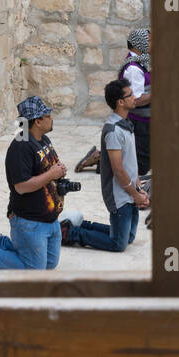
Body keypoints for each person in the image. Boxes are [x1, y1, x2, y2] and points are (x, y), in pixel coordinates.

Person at [0, 96, 64, 269]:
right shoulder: (20, 147)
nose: (51, 118)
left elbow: (46, 170)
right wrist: (51, 174)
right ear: (37, 121)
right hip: (29, 220)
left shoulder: (43, 140)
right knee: (34, 268)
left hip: (49, 219)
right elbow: (21, 187)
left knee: (49, 264)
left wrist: (58, 172)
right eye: (48, 115)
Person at [64, 79, 150, 253]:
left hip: (130, 190)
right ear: (120, 102)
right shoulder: (112, 131)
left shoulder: (126, 125)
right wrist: (134, 194)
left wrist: (139, 188)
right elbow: (118, 170)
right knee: (118, 244)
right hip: (119, 194)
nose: (135, 97)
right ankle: (71, 233)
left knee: (129, 238)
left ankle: (84, 225)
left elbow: (130, 162)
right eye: (130, 95)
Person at [118, 27, 153, 176]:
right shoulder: (133, 69)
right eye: (150, 41)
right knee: (141, 165)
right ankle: (102, 160)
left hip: (145, 121)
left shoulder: (140, 62)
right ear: (140, 44)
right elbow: (136, 100)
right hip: (138, 123)